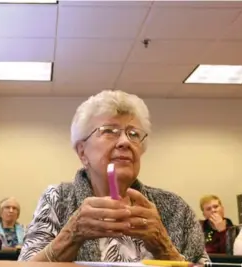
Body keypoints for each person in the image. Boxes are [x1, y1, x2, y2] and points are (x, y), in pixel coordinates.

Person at [18, 90, 207, 263]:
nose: (125, 141)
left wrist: (164, 248)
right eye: (109, 131)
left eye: (133, 134)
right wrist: (71, 236)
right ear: (82, 152)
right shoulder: (57, 199)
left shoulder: (175, 208)